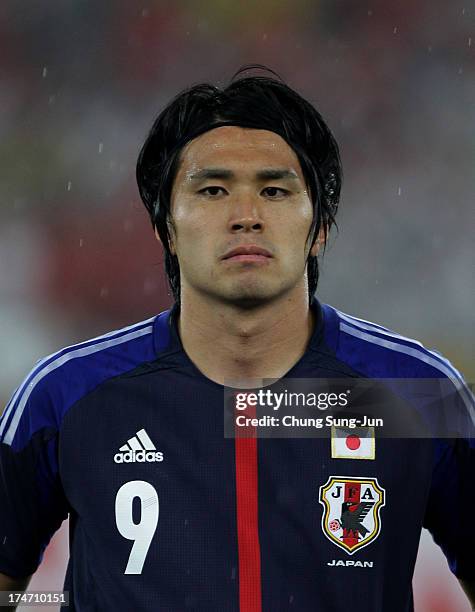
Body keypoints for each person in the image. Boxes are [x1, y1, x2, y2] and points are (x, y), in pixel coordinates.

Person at [0, 68, 473, 612]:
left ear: (319, 226)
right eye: (213, 189)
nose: (245, 216)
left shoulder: (416, 392)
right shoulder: (67, 396)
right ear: (166, 228)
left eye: (274, 190)